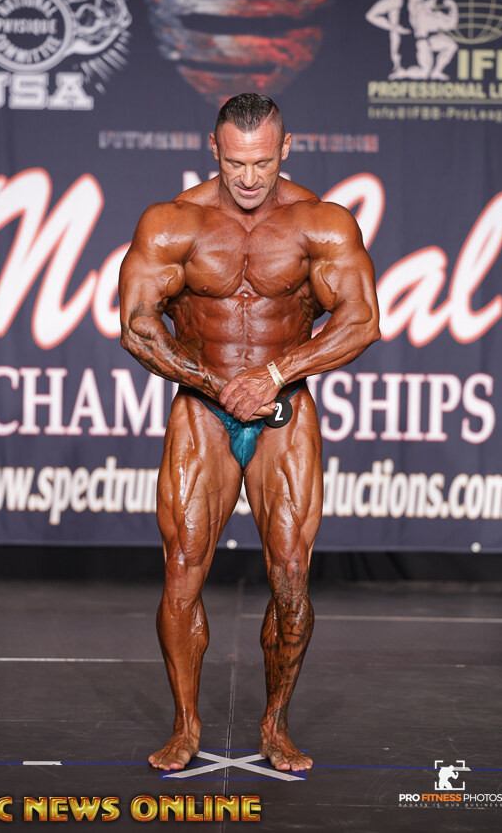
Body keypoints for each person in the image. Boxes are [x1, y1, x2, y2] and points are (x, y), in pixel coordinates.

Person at [118, 93, 380, 772]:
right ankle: (185, 724)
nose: (249, 178)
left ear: (285, 148)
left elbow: (361, 321)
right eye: (236, 163)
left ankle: (275, 723)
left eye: (262, 163)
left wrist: (275, 373)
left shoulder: (320, 223)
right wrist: (215, 384)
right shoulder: (172, 223)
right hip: (201, 410)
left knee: (291, 576)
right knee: (182, 570)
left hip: (282, 410)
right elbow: (138, 327)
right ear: (214, 149)